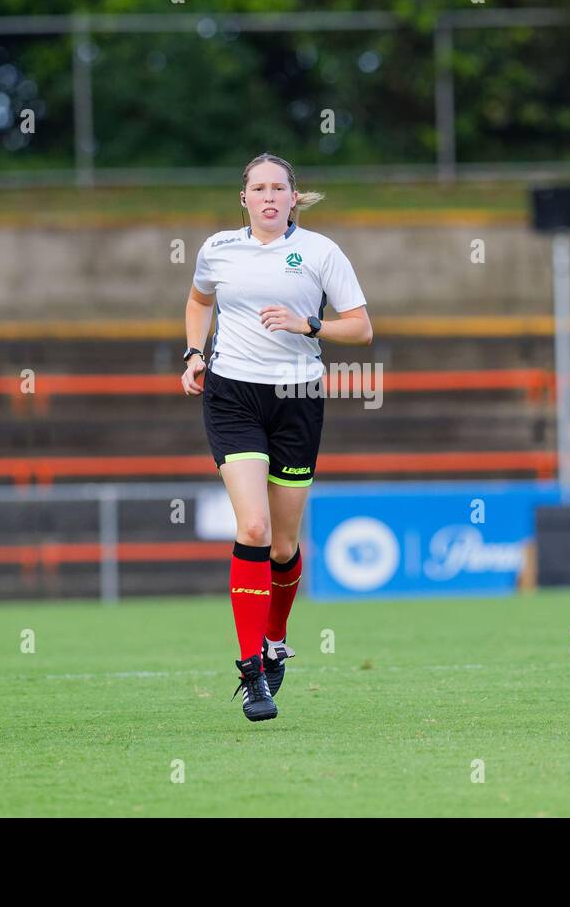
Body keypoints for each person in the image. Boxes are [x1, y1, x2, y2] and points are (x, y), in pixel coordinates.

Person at [182, 153, 372, 722]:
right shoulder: (217, 248)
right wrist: (195, 352)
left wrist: (308, 324)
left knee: (285, 547)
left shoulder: (319, 252)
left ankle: (274, 637)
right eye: (258, 188)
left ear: (294, 197)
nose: (268, 197)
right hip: (233, 394)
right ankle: (251, 673)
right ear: (243, 197)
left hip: (297, 399)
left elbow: (360, 327)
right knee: (254, 528)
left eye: (279, 189)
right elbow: (198, 301)